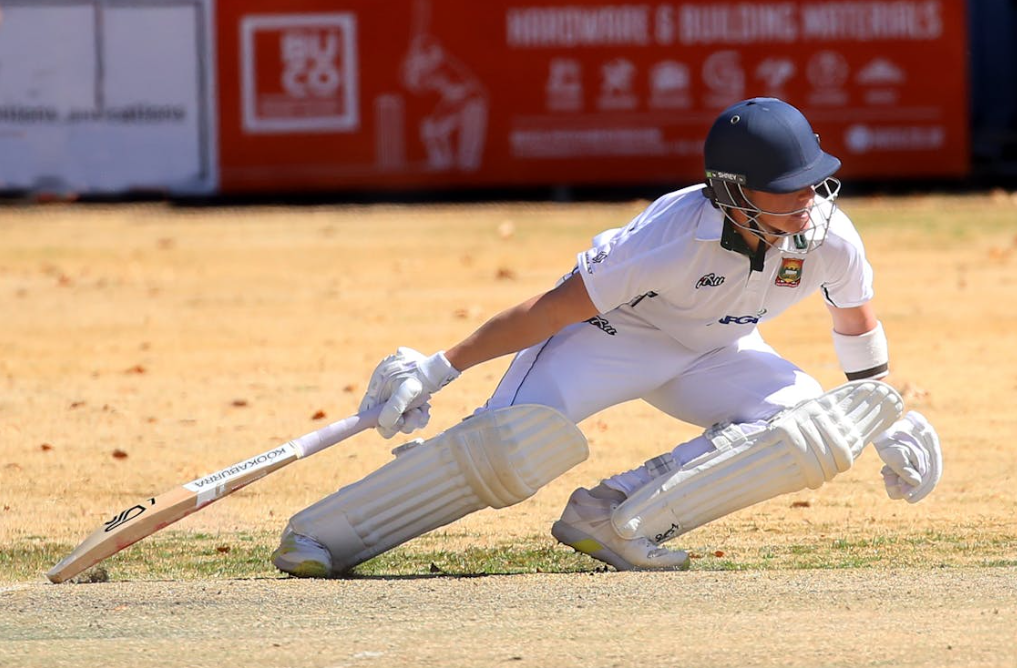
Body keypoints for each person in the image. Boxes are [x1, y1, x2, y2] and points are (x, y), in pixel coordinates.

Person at [271, 97, 942, 577]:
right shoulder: (671, 237)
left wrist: (876, 417)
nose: (807, 201)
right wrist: (440, 368)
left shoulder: (828, 236)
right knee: (507, 447)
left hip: (714, 353)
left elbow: (855, 325)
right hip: (610, 338)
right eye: (786, 190)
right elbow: (549, 309)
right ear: (731, 190)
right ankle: (321, 536)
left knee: (810, 428)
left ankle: (612, 515)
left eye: (809, 183)